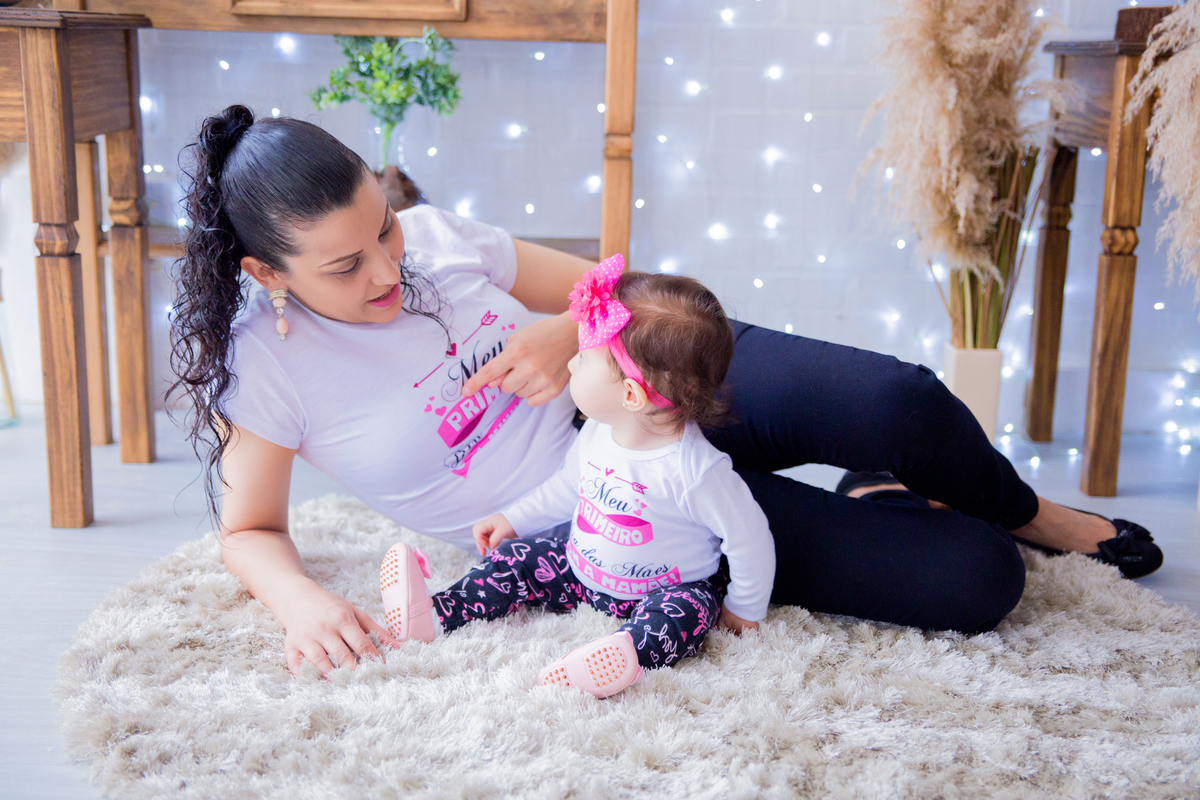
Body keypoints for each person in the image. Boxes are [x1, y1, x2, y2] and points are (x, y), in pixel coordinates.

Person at [170, 105, 1162, 678]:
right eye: (346, 266)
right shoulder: (266, 367)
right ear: (269, 275)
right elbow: (250, 529)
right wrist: (298, 600)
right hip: (618, 502)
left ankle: (1043, 513)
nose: (387, 268)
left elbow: (622, 290)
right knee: (976, 582)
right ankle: (881, 496)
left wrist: (565, 331)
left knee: (899, 398)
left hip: (644, 375)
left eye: (383, 229)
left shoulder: (431, 240)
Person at [380, 259, 775, 698]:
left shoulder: (695, 471)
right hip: (578, 568)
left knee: (686, 614)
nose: (569, 364)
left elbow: (749, 540)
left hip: (666, 589)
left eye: (584, 359)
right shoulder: (596, 432)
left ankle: (623, 655)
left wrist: (744, 610)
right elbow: (568, 488)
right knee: (515, 559)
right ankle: (435, 614)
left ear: (631, 395)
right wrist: (514, 518)